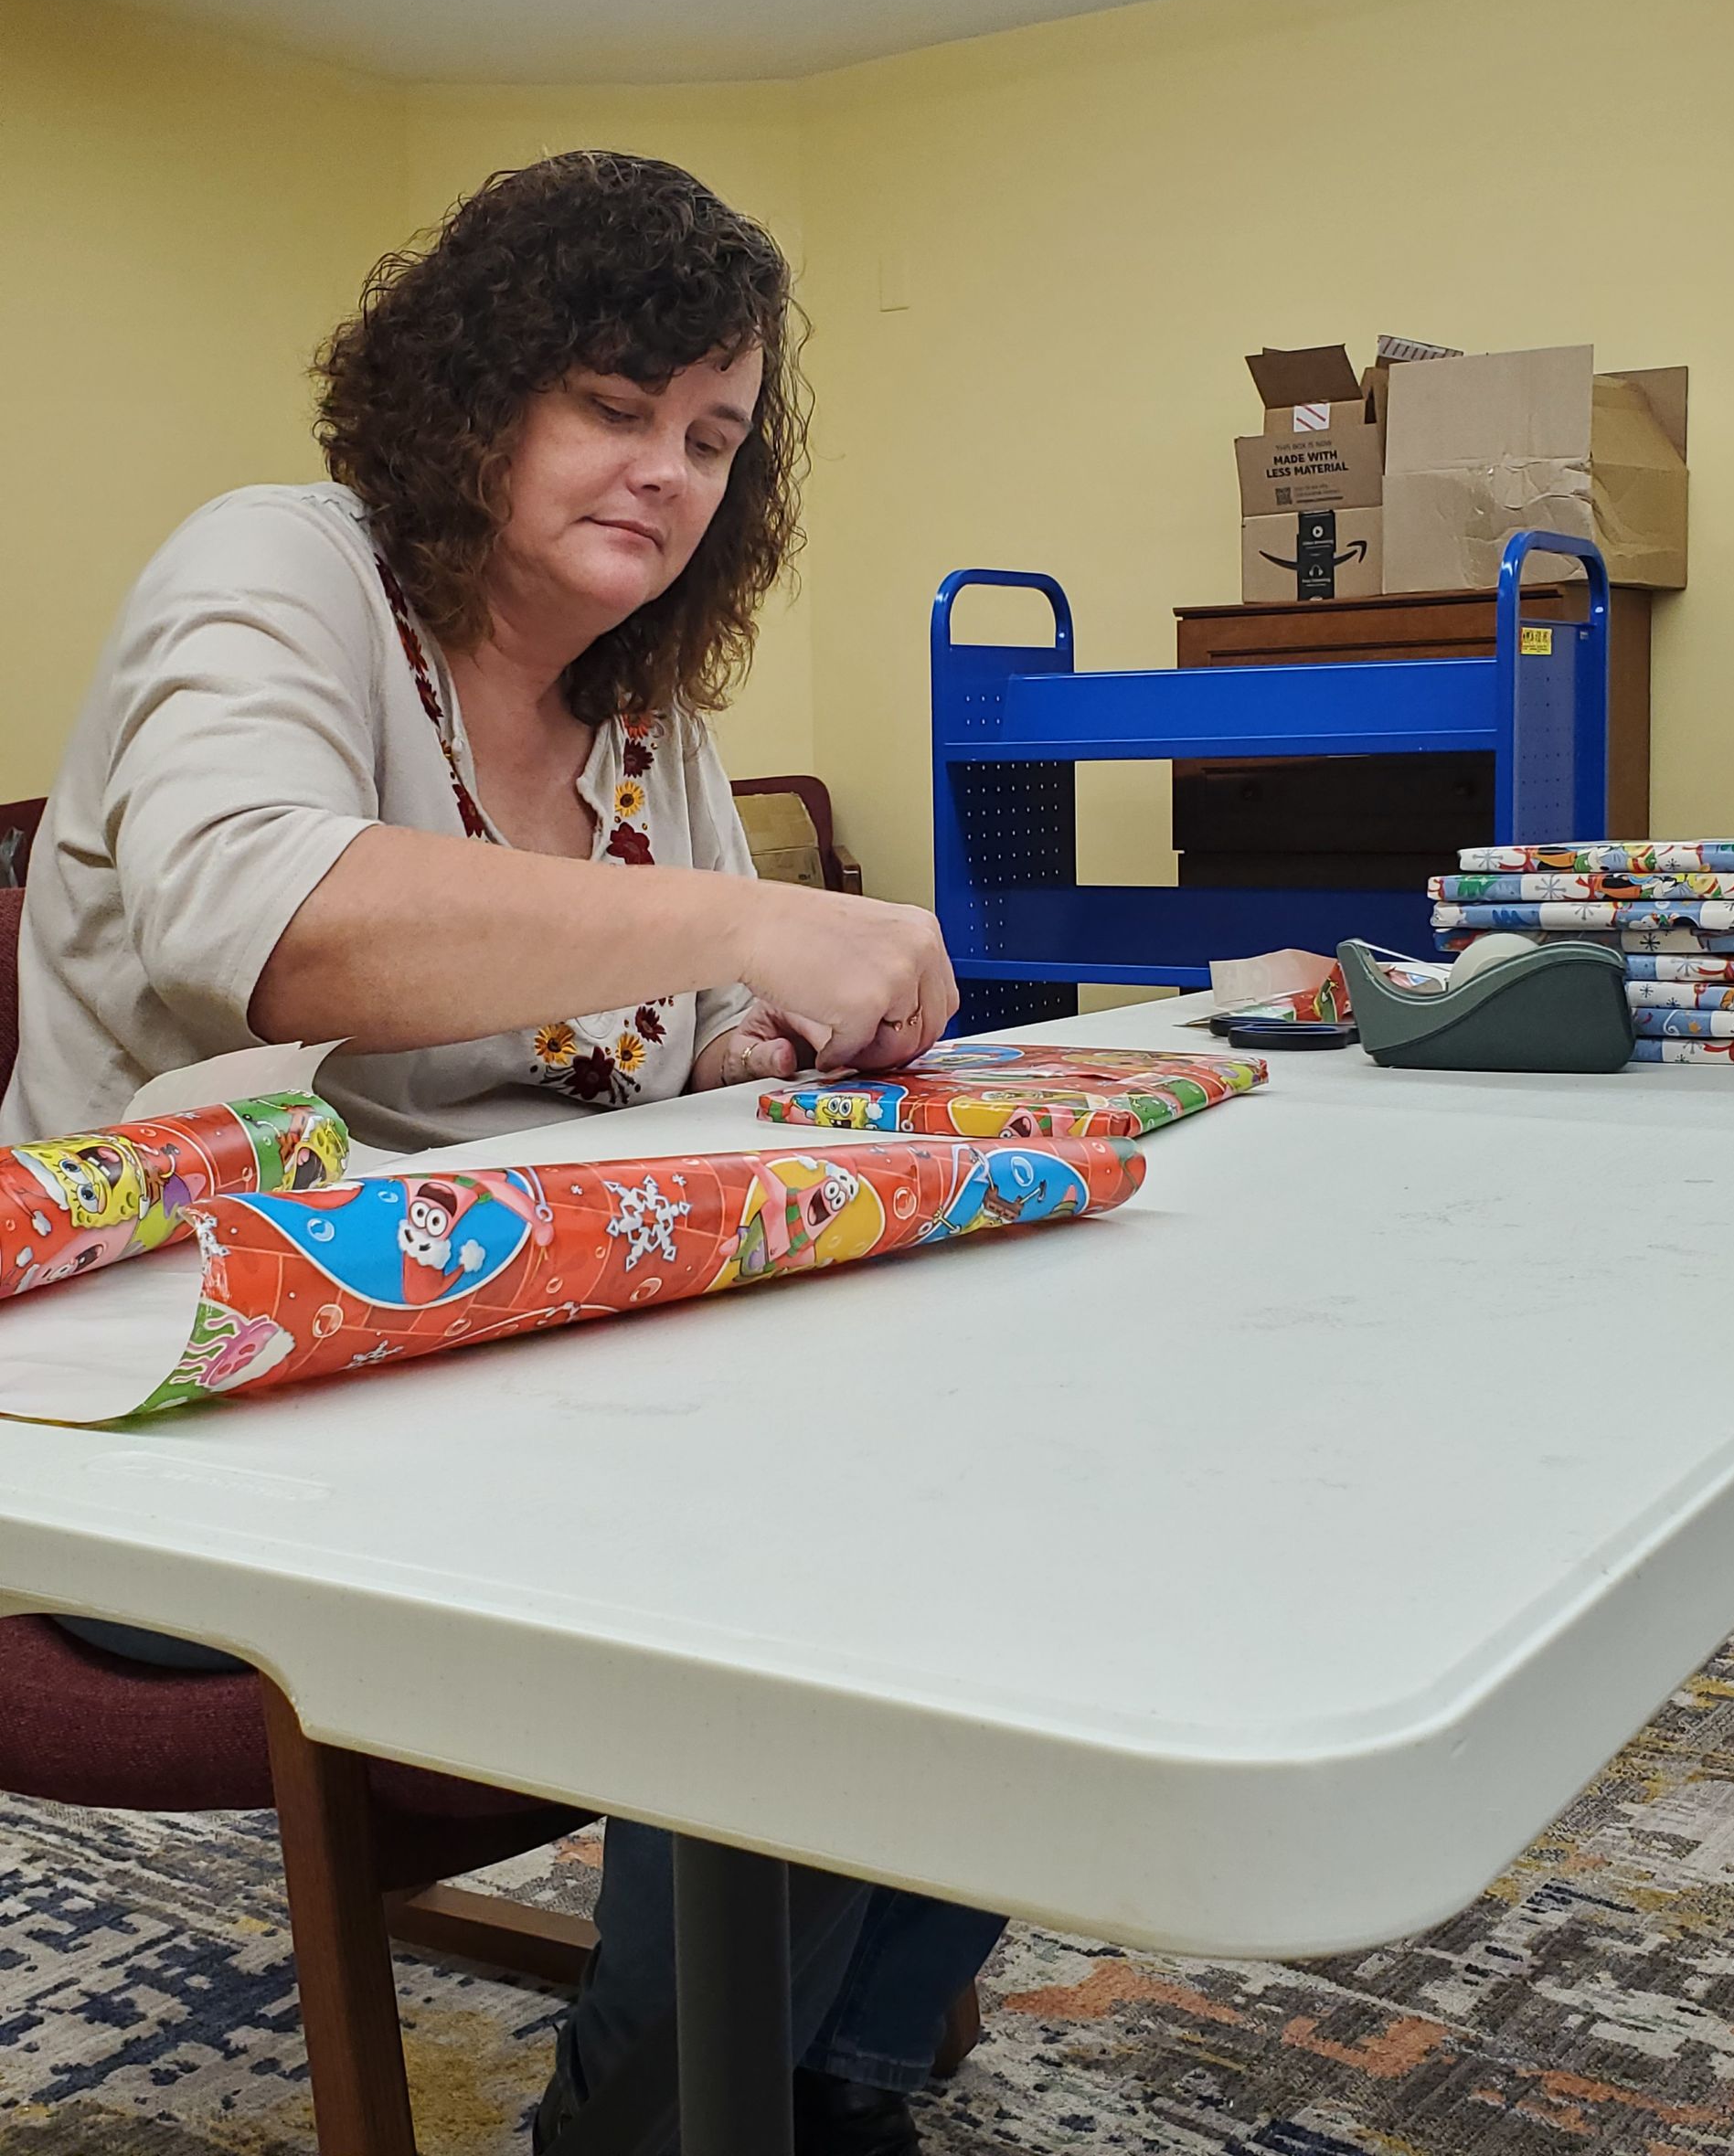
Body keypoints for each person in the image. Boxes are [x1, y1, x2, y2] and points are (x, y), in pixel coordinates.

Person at [4, 152, 1000, 2155]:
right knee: (807, 1542)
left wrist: (765, 1025)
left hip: (539, 1341)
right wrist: (749, 928)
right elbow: (262, 916)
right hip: (182, 1403)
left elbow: (664, 1023)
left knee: (995, 1430)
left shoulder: (641, 701)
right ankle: (650, 2126)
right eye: (613, 406)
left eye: (712, 436)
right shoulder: (275, 567)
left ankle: (828, 2073)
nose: (667, 471)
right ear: (473, 397)